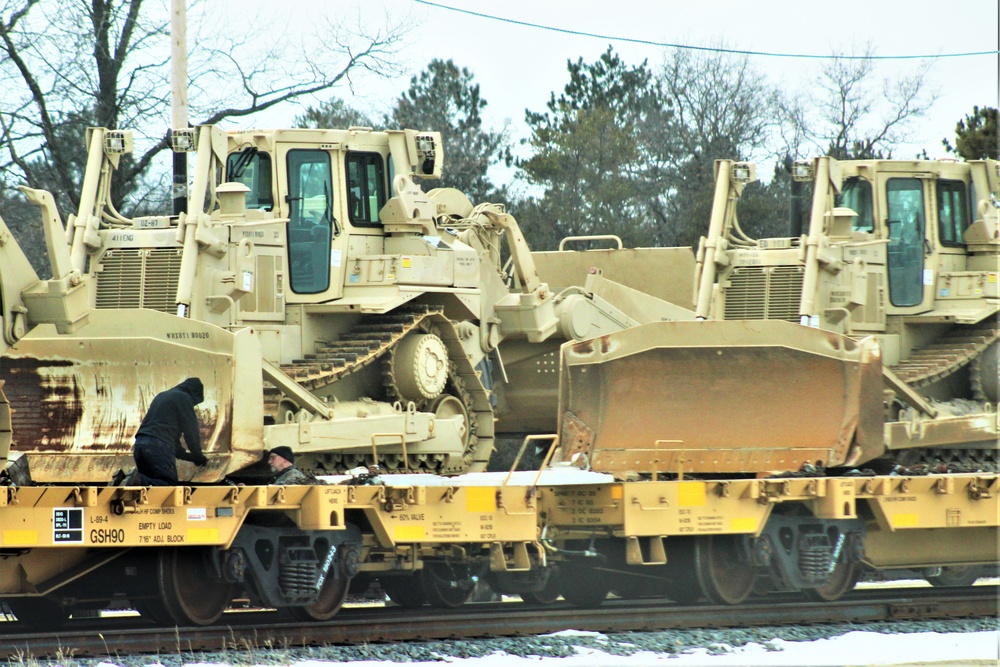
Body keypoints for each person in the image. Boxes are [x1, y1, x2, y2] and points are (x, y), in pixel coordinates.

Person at [130, 378, 209, 485]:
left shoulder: (162, 396)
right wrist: (199, 456)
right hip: (158, 446)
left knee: (147, 489)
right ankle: (139, 481)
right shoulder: (184, 398)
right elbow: (191, 432)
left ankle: (127, 479)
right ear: (194, 394)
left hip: (140, 444)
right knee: (168, 485)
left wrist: (188, 457)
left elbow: (165, 432)